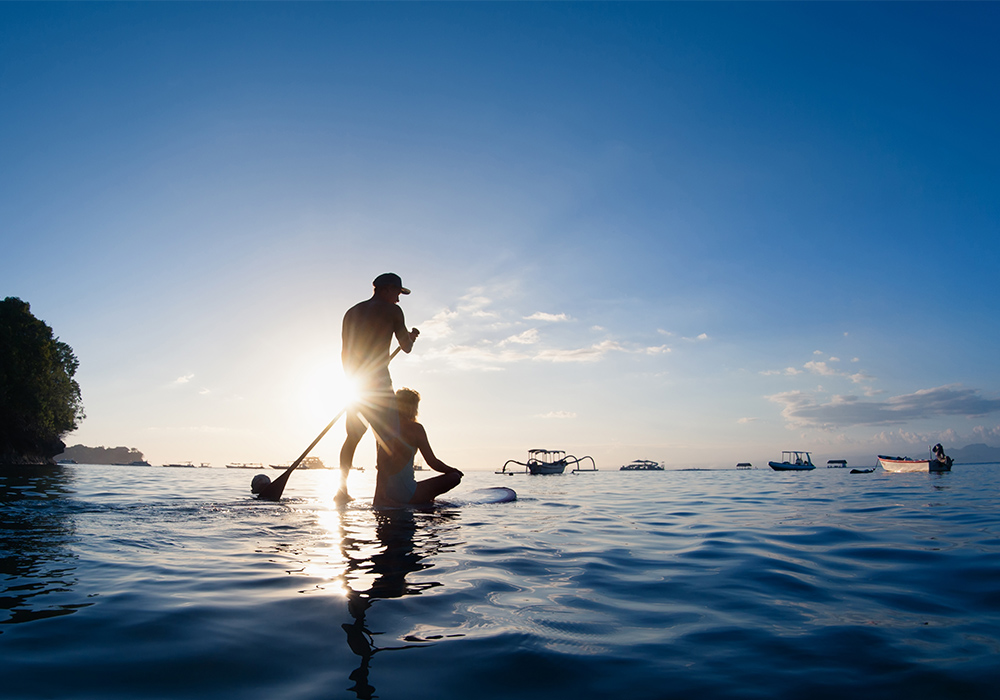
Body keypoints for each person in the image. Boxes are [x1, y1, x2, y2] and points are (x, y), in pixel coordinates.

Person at [338, 273, 420, 503]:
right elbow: (406, 348)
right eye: (397, 293)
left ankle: (341, 492)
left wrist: (352, 383)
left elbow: (344, 352)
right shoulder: (392, 311)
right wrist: (411, 337)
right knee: (388, 438)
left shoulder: (351, 312)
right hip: (379, 385)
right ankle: (382, 495)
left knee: (352, 437)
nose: (398, 299)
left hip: (355, 383)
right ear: (386, 289)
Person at [373, 388, 463, 507]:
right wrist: (453, 470)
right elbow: (432, 462)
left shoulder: (384, 429)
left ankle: (426, 498)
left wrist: (379, 496)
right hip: (407, 494)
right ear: (413, 407)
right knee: (454, 477)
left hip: (386, 493)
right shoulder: (416, 429)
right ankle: (424, 500)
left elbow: (381, 465)